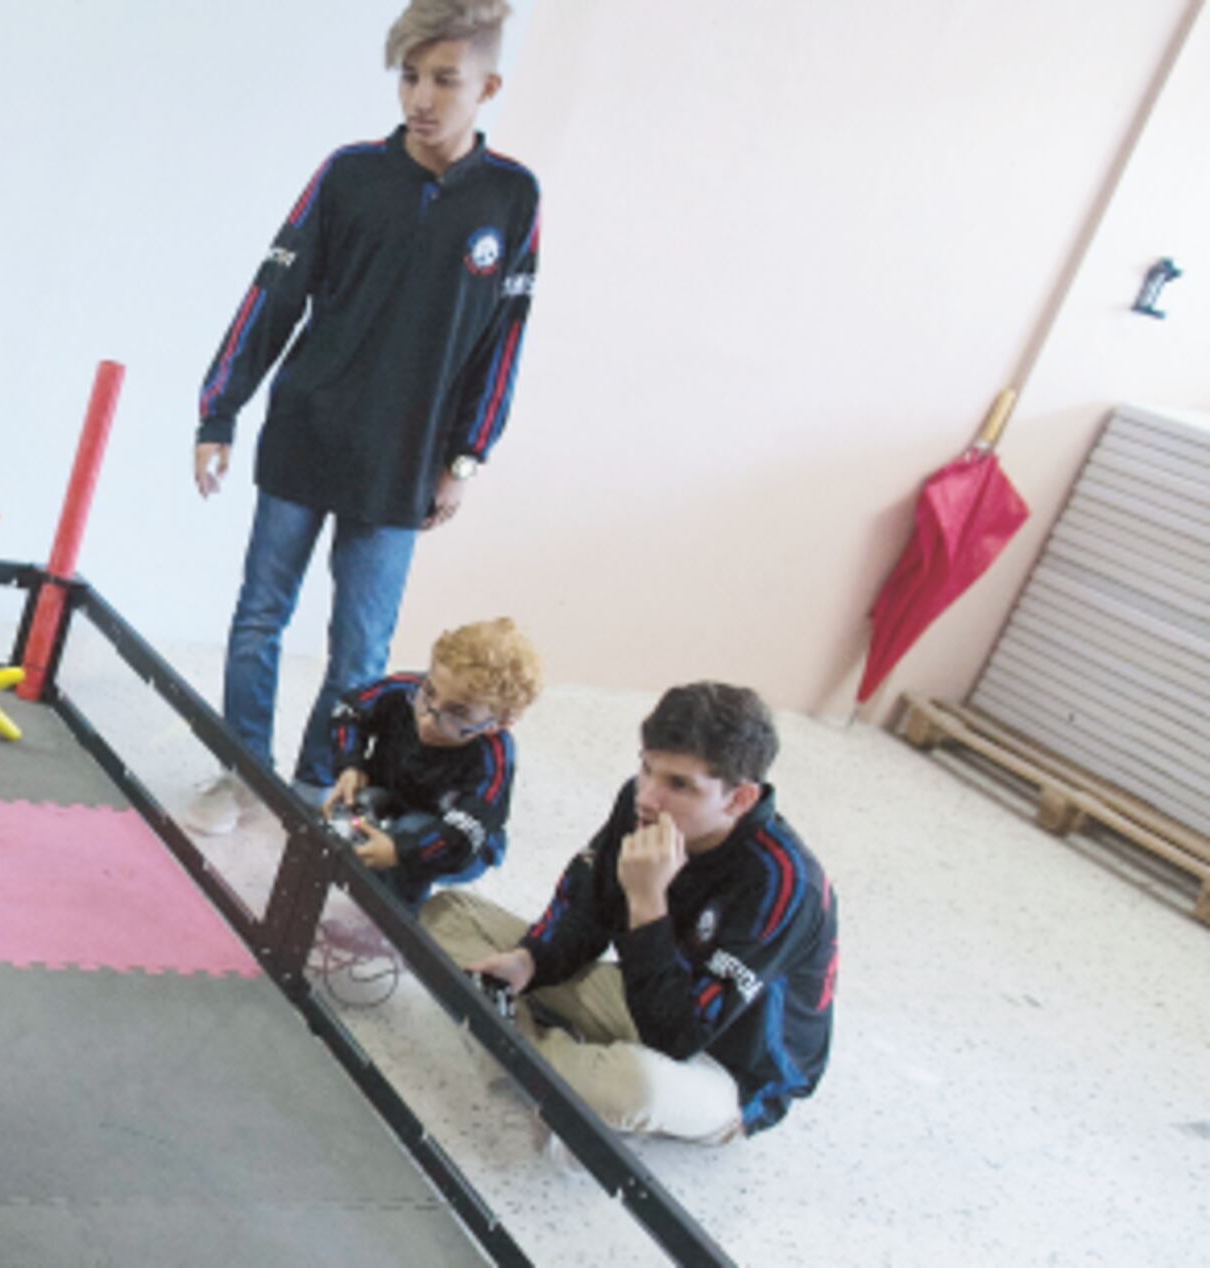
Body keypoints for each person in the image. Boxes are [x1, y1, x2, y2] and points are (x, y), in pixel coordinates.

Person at [187, 0, 540, 834]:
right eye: (409, 76)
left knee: (361, 651)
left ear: (487, 86)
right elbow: (272, 296)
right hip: (305, 431)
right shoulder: (348, 172)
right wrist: (219, 412)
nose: (421, 96)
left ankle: (313, 786)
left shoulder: (513, 198)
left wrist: (466, 458)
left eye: (444, 79)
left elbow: (505, 342)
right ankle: (241, 773)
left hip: (405, 461)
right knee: (260, 614)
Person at [423, 684, 839, 1142]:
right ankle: (546, 1067)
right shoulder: (640, 804)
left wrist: (647, 902)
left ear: (739, 799)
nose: (648, 796)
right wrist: (531, 959)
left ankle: (522, 1049)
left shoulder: (783, 884)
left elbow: (678, 1037)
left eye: (679, 784)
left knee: (632, 1087)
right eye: (647, 768)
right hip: (644, 991)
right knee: (448, 914)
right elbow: (586, 907)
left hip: (724, 1064)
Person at [321, 617, 541, 910]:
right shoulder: (403, 690)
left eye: (457, 713)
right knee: (344, 807)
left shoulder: (494, 759)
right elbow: (349, 709)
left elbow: (463, 834)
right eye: (430, 693)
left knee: (410, 839)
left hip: (456, 840)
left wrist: (401, 851)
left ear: (498, 723)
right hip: (393, 798)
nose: (427, 719)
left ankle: (393, 926)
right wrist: (350, 764)